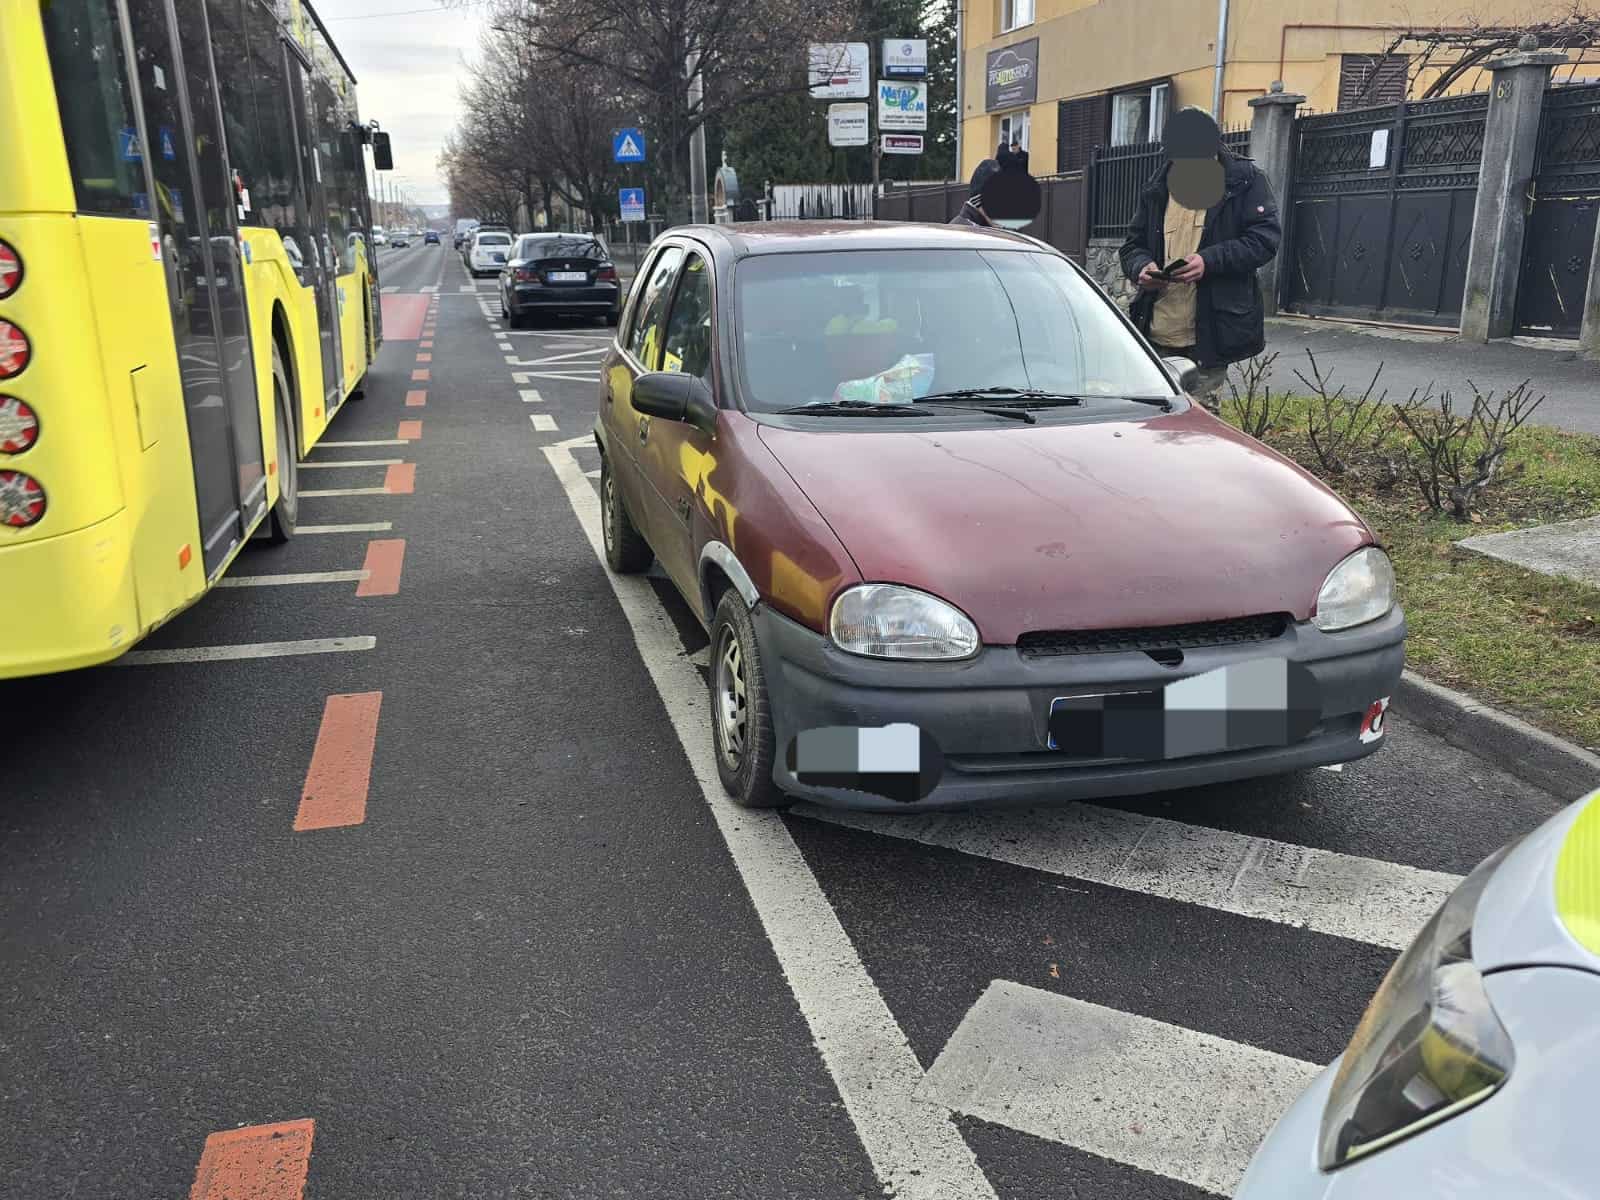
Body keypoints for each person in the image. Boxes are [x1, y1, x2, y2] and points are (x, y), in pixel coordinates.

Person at [1119, 107, 1281, 412]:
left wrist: (1210, 261)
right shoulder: (1159, 186)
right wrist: (1142, 267)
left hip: (1209, 333)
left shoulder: (1244, 181)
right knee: (1152, 423)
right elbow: (1132, 246)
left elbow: (1264, 241)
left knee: (1200, 428)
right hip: (1156, 330)